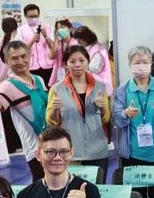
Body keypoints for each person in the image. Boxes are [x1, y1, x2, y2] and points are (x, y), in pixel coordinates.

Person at [112, 46, 154, 187]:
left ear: (151, 64)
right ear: (130, 65)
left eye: (145, 62)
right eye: (137, 63)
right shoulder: (122, 90)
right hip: (132, 152)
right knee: (136, 194)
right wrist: (125, 114)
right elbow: (116, 120)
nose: (141, 66)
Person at [0, 40, 49, 184]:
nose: (20, 61)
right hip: (33, 146)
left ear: (29, 56)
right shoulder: (7, 86)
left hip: (50, 139)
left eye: (23, 56)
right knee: (40, 182)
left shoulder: (38, 80)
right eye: (15, 58)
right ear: (7, 61)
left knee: (54, 181)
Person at [45, 45, 112, 176]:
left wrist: (103, 108)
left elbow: (106, 119)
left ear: (88, 62)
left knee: (97, 188)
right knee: (72, 188)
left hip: (98, 151)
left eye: (82, 60)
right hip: (70, 152)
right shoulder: (56, 89)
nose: (77, 65)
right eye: (72, 61)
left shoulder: (99, 87)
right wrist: (54, 110)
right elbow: (51, 121)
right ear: (65, 64)